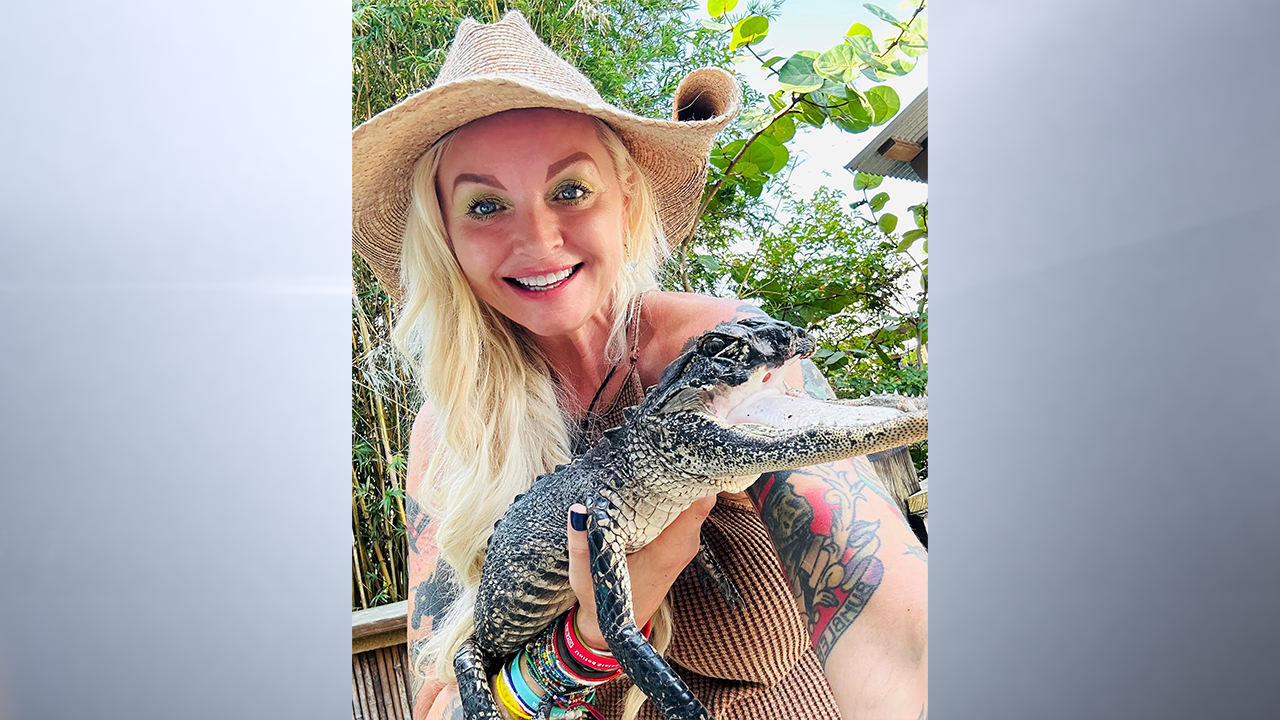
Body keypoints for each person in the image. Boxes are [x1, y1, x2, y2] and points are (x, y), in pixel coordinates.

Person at [352, 12, 927, 720]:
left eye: (569, 190)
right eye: (485, 204)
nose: (537, 239)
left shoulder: (723, 352)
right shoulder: (446, 432)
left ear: (625, 198)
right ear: (447, 237)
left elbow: (903, 636)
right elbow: (441, 704)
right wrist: (586, 640)